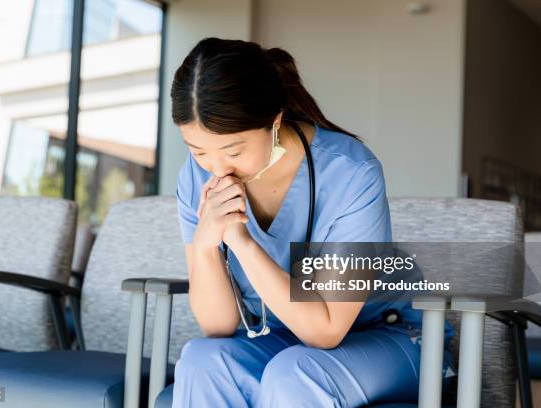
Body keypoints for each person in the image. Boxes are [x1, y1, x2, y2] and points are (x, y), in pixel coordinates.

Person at [171, 37, 455, 407]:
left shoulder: (350, 173)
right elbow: (218, 326)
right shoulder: (196, 178)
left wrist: (241, 242)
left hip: (388, 335)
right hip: (285, 338)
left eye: (234, 150)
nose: (218, 168)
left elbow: (325, 330)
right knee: (202, 361)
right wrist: (208, 245)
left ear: (274, 121)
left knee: (296, 375)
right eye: (199, 151)